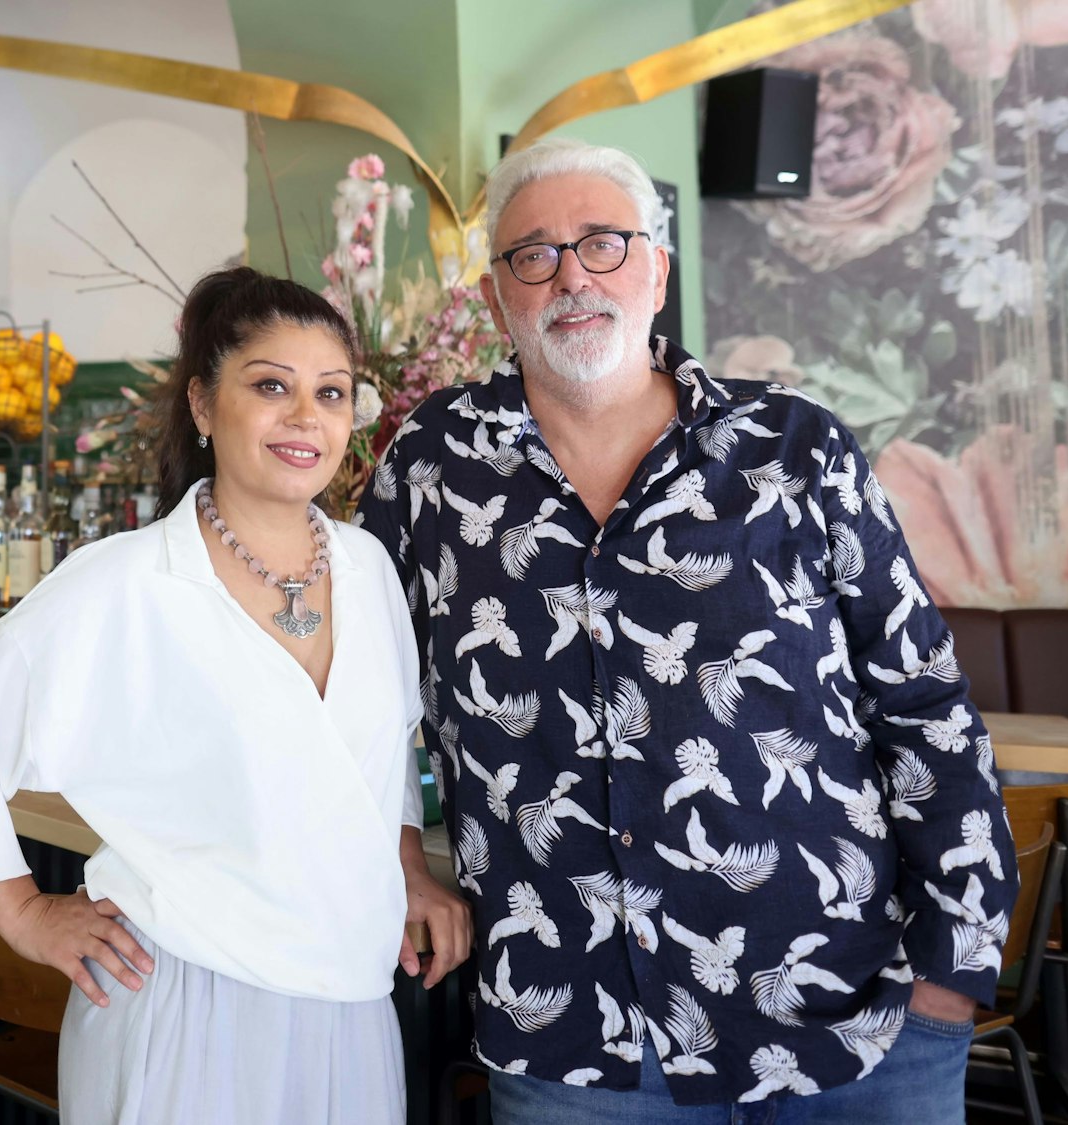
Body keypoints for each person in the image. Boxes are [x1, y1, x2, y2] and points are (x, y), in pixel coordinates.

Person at [356, 138, 1016, 1121]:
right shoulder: (433, 465)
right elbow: (356, 693)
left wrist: (950, 973)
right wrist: (399, 860)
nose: (570, 274)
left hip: (848, 1019)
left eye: (602, 243)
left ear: (655, 270)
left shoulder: (793, 447)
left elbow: (920, 700)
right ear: (498, 300)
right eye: (531, 255)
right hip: (575, 1039)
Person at [0, 266, 471, 1124]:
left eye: (332, 392)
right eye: (271, 385)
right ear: (202, 405)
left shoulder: (367, 566)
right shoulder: (126, 581)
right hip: (183, 1005)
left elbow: (381, 754)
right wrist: (24, 914)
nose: (306, 417)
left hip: (350, 1010)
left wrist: (408, 866)